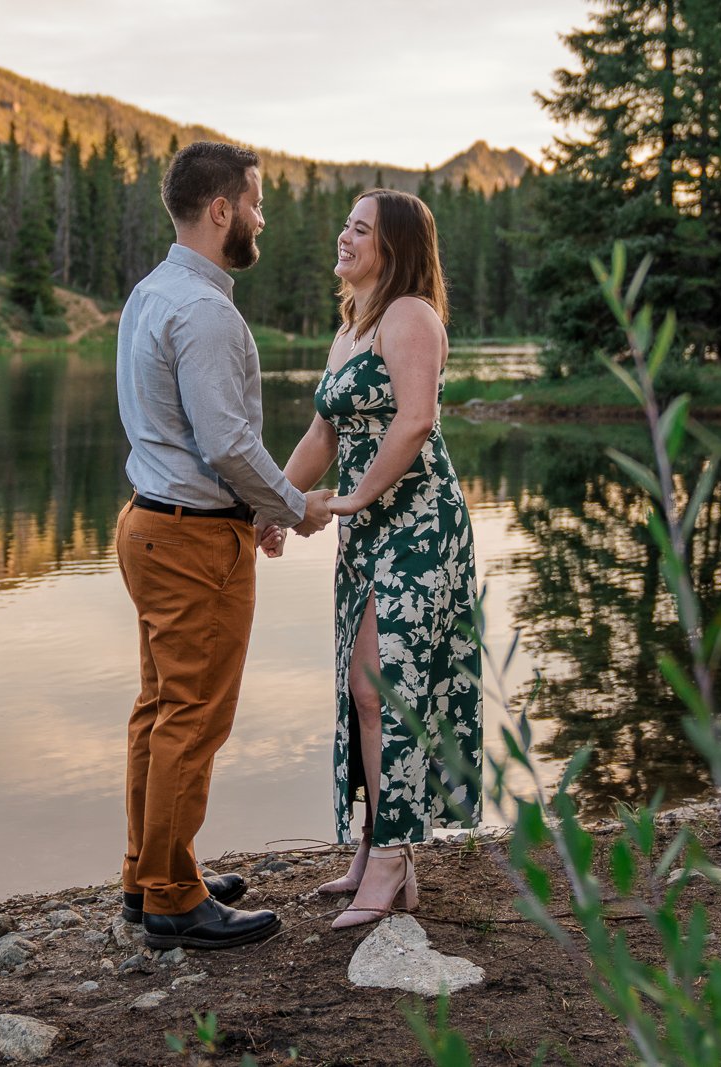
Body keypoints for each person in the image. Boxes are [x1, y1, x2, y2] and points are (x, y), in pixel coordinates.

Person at [115, 140, 334, 951]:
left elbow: (194, 438)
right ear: (222, 211)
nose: (262, 218)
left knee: (158, 709)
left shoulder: (152, 292)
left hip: (152, 523)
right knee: (192, 717)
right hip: (190, 543)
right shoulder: (205, 310)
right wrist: (292, 506)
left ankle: (151, 873)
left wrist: (256, 509)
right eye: (257, 202)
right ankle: (172, 897)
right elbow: (228, 443)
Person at [270, 189, 482, 929]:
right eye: (346, 224)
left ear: (391, 247)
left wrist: (354, 500)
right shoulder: (351, 328)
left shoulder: (410, 317)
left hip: (419, 525)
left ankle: (393, 858)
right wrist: (276, 504)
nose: (344, 235)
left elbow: (417, 419)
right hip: (366, 529)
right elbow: (322, 433)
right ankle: (379, 845)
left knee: (389, 688)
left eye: (360, 228)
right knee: (363, 690)